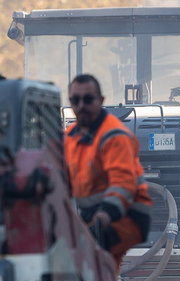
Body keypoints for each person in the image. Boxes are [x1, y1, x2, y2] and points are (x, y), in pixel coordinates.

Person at [64, 73, 152, 267]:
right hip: (92, 215)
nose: (81, 106)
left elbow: (123, 183)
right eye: (75, 100)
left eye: (88, 99)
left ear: (101, 101)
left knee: (90, 264)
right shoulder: (71, 135)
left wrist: (106, 214)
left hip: (126, 216)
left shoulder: (115, 136)